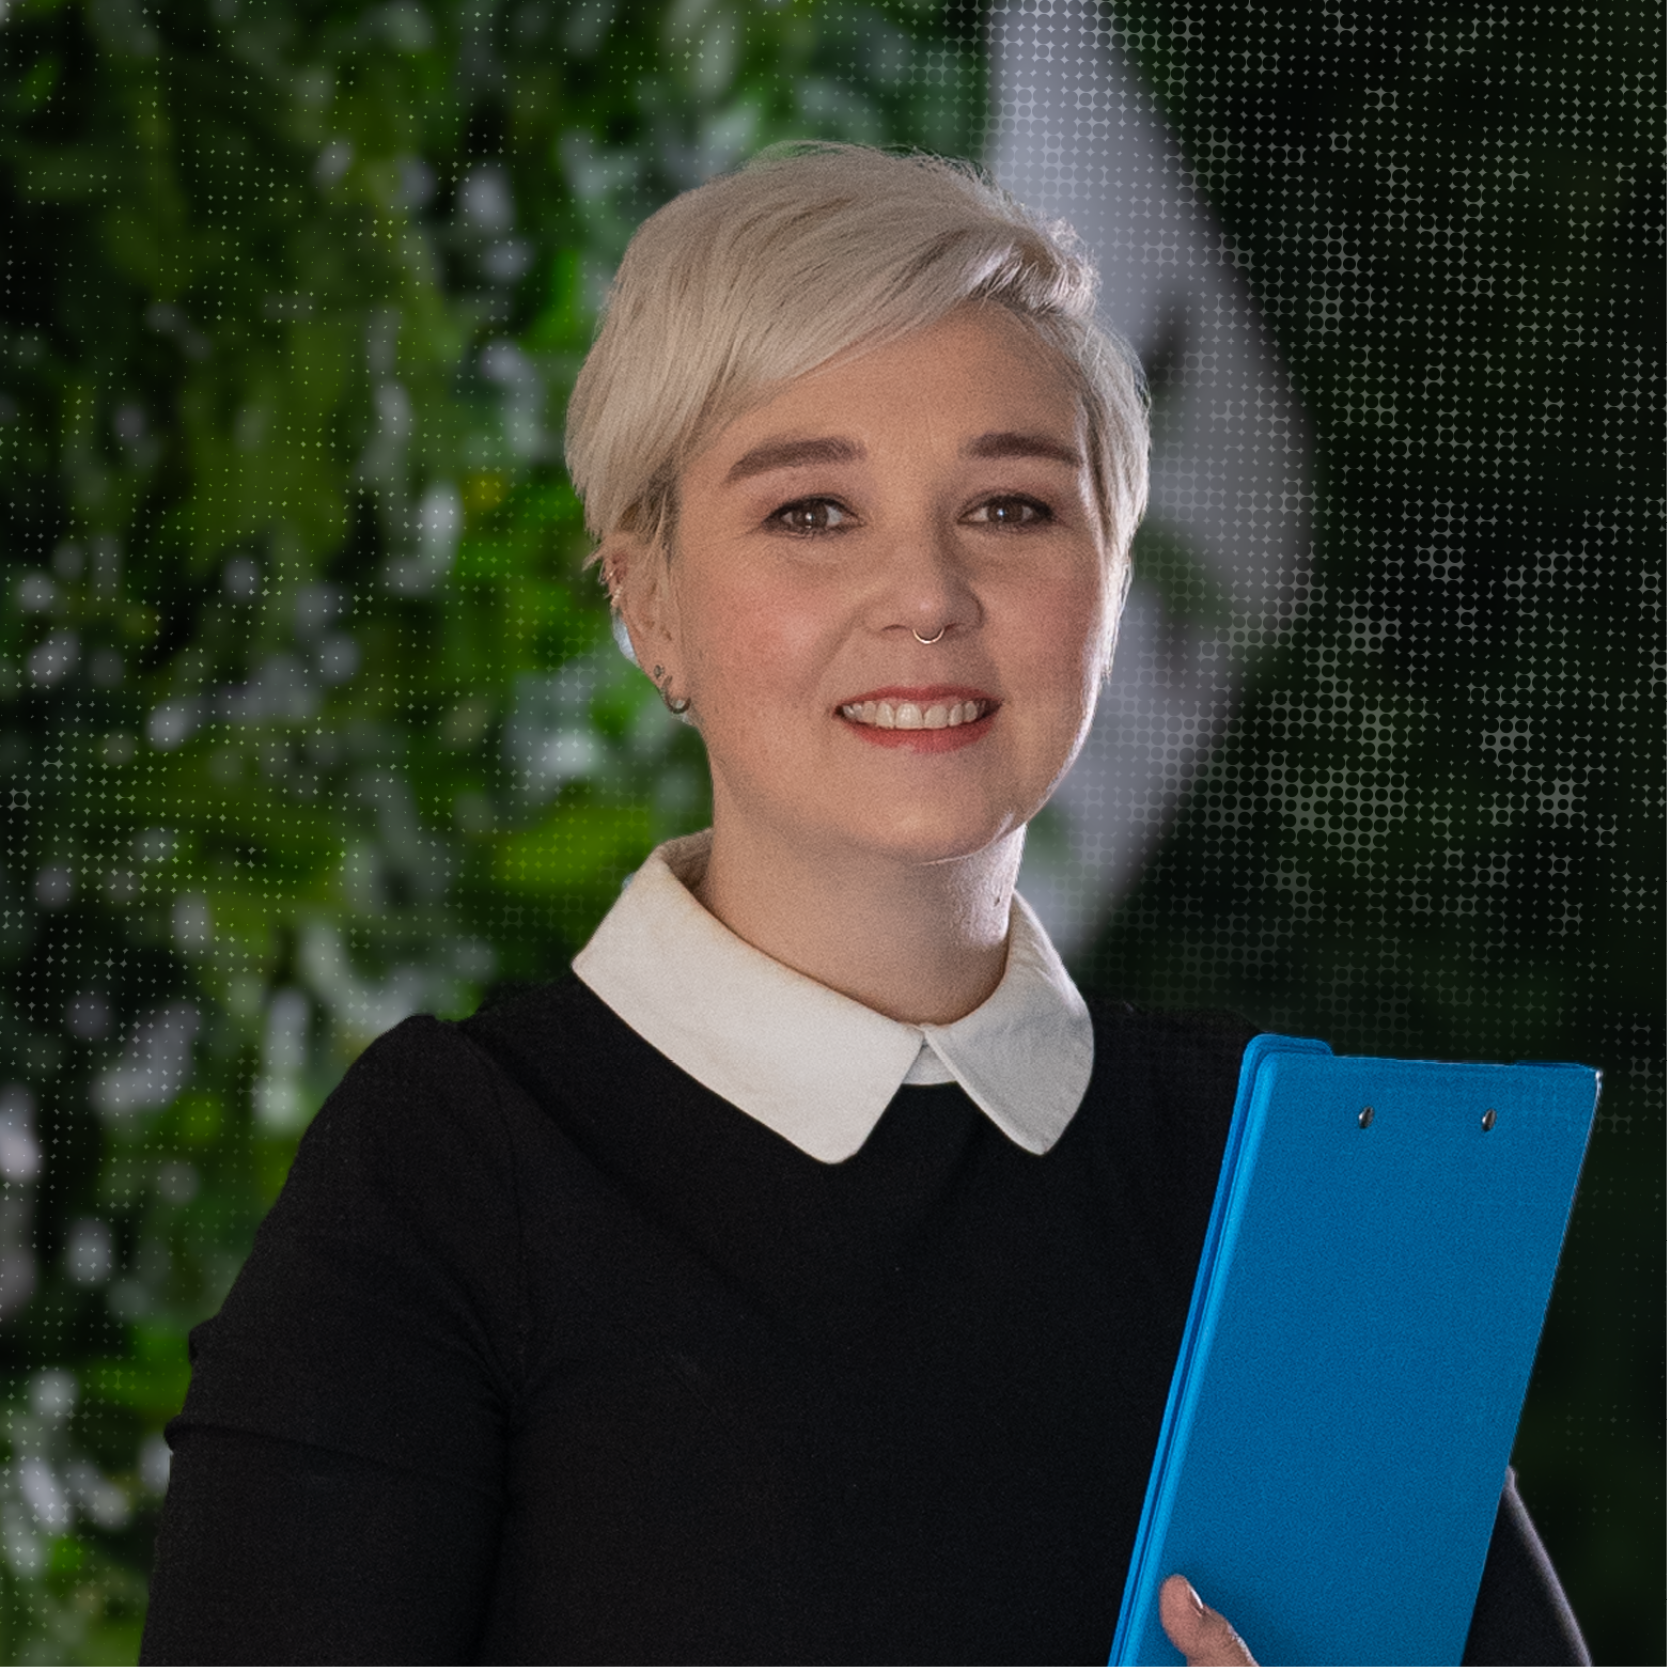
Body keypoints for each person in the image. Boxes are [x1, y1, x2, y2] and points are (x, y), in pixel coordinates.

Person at [139, 143, 1587, 1666]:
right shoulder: (450, 1175)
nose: (926, 594)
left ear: (1112, 572)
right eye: (812, 511)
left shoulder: (1285, 1174)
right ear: (645, 597)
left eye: (1012, 507)